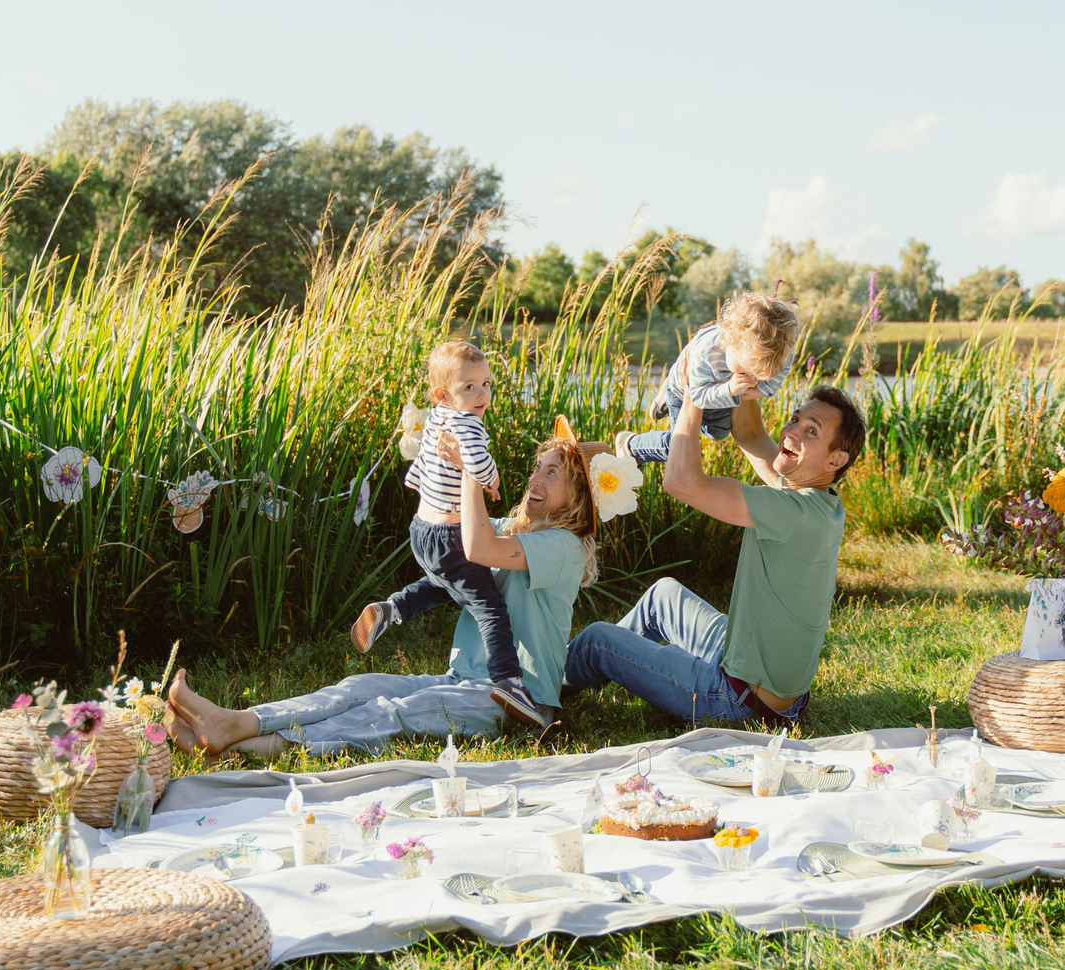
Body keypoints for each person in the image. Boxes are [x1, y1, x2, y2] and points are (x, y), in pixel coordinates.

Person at [165, 433, 596, 757]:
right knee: (361, 686)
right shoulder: (513, 530)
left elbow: (477, 548)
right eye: (538, 466)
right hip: (465, 681)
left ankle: (248, 745)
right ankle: (240, 722)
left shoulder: (565, 546)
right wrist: (398, 605)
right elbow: (456, 571)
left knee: (399, 710)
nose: (535, 477)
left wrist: (469, 471)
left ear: (578, 497)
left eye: (552, 472)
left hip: (518, 703)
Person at [564, 381, 863, 731]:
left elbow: (681, 481)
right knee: (663, 596)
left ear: (836, 459)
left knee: (598, 640)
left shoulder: (791, 511)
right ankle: (597, 671)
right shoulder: (819, 502)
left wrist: (694, 390)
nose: (791, 431)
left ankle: (534, 691)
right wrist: (738, 373)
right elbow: (750, 434)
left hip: (736, 699)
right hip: (754, 672)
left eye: (810, 431)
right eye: (794, 419)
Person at [358, 339, 541, 732]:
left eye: (486, 383)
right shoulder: (466, 423)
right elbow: (475, 463)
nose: (482, 395)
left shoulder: (439, 417)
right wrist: (491, 478)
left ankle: (392, 609)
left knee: (446, 584)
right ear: (443, 394)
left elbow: (421, 469)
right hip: (449, 534)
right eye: (469, 387)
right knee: (489, 605)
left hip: (422, 530)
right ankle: (509, 681)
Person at [612, 290, 803, 467]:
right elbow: (696, 396)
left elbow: (776, 381)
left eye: (759, 375)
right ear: (730, 343)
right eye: (746, 371)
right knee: (680, 450)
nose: (751, 378)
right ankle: (631, 445)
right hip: (688, 388)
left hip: (718, 389)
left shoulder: (782, 353)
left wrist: (761, 390)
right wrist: (729, 390)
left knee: (719, 433)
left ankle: (674, 403)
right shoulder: (707, 353)